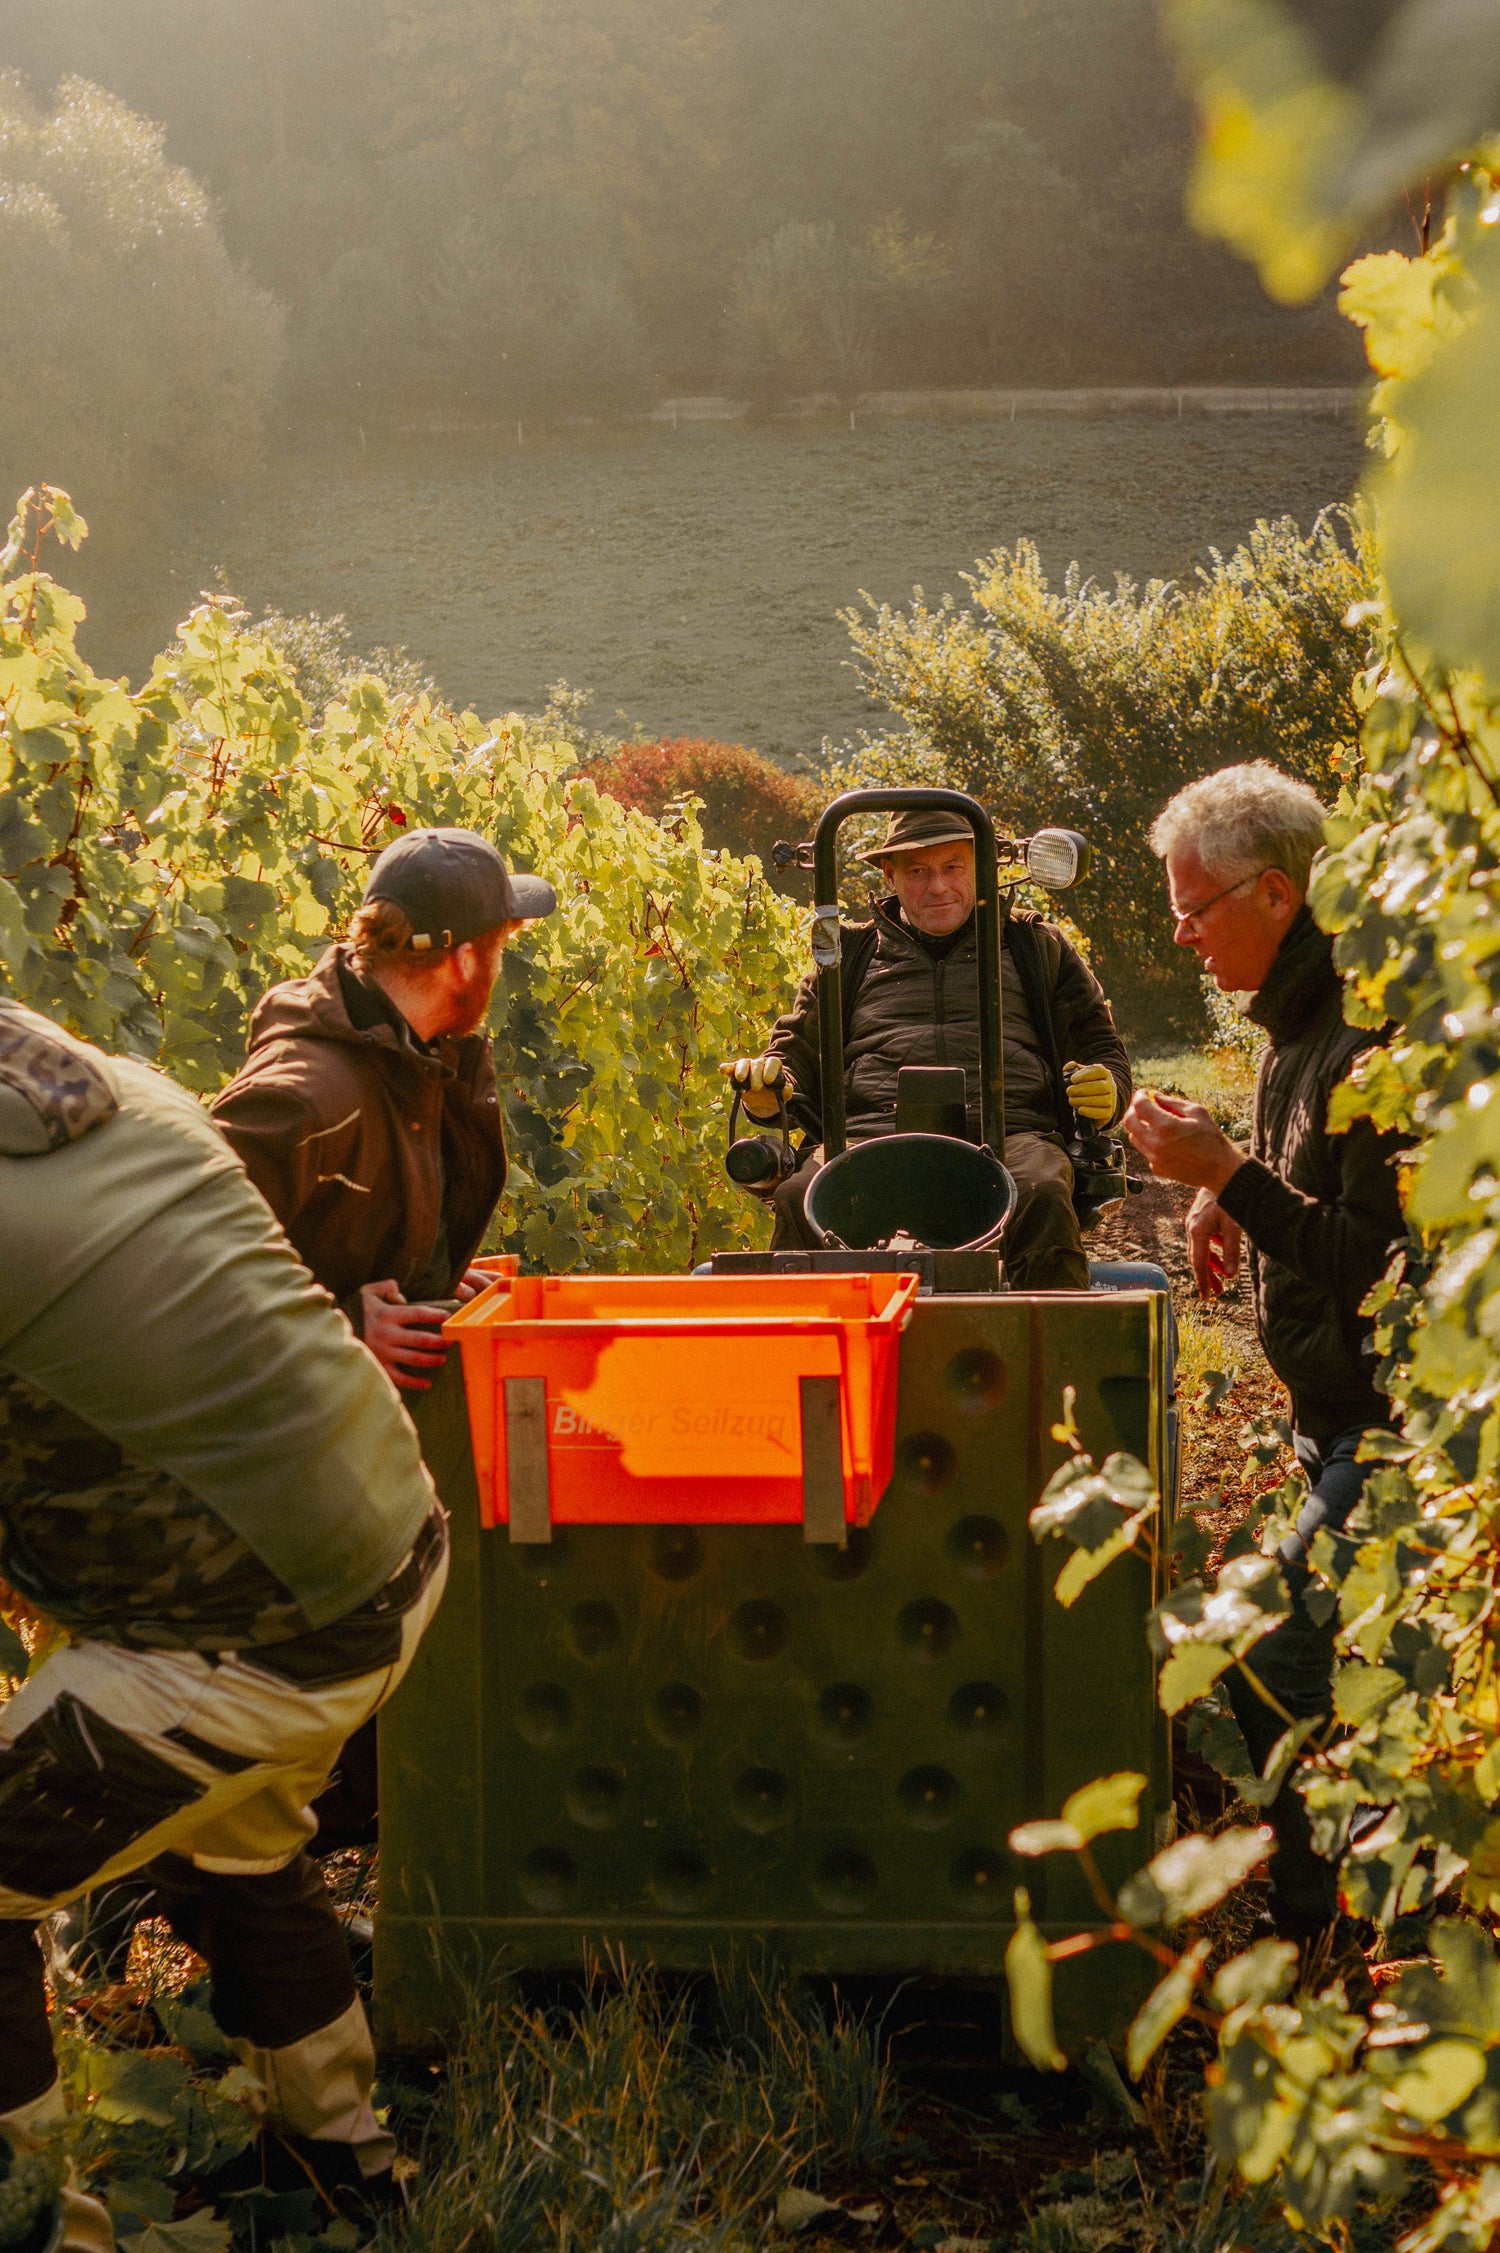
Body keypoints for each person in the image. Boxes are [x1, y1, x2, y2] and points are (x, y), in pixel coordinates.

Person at [0, 1001, 448, 2247]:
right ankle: (339, 2175)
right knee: (239, 1852)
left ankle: (39, 2232)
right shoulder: (109, 1091)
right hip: (390, 1545)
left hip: (250, 1631)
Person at [207, 827, 555, 1852]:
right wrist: (342, 1323)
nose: (503, 965)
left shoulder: (413, 1055)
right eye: (502, 945)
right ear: (463, 960)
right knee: (278, 1717)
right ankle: (142, 1889)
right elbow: (176, 1276)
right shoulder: (301, 1095)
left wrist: (444, 1282)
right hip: (269, 1468)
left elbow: (355, 1237)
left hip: (343, 1444)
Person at [1123, 761, 1408, 1944]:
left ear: (1278, 896)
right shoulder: (1296, 1023)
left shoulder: (1371, 1039)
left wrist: (1233, 1177)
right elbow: (1314, 1174)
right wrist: (1224, 1191)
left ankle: (1320, 1926)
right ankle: (1373, 1871)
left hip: (1393, 1426)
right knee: (1343, 1665)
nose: (1181, 934)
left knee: (1278, 1650)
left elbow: (1381, 1260)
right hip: (1330, 1411)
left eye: (1195, 908)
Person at [722, 808, 1131, 1289]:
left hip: (1010, 1136)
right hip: (869, 1139)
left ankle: (1050, 1331)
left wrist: (1107, 1088)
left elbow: (1101, 1048)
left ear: (981, 868)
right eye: (918, 870)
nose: (937, 886)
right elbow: (792, 1054)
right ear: (890, 875)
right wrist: (768, 1091)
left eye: (952, 867)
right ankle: (809, 1332)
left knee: (1041, 1190)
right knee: (800, 1196)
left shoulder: (1035, 947)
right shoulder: (849, 957)